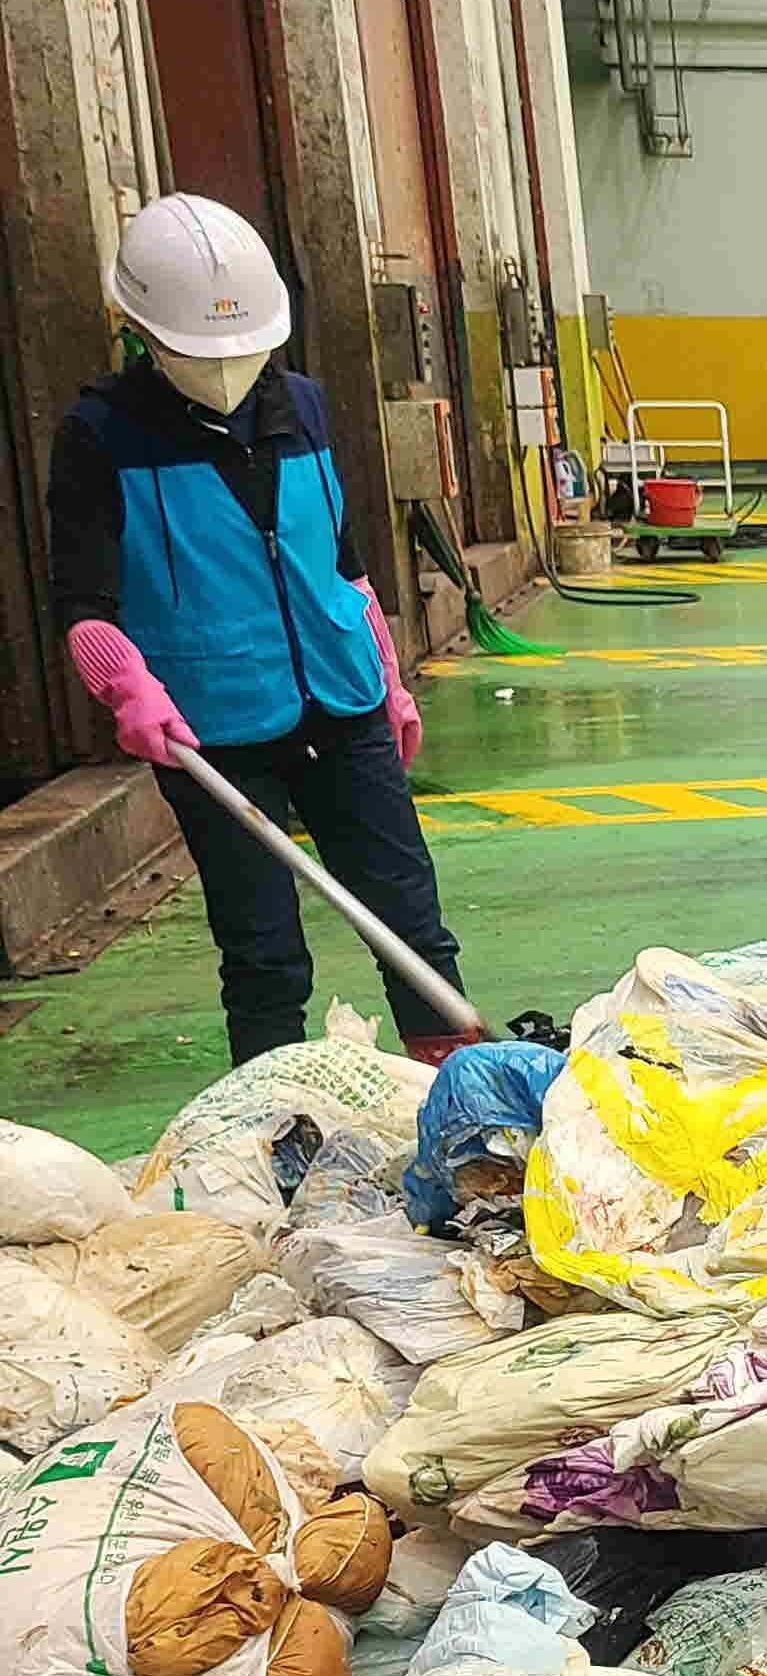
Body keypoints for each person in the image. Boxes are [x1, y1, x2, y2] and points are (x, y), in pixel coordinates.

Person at [51, 194, 476, 1065]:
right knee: (264, 953)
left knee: (411, 918)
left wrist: (387, 675)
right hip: (214, 729)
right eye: (201, 350)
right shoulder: (100, 433)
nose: (227, 368)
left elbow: (346, 563)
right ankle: (270, 1129)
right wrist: (127, 688)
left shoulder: (306, 406)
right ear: (138, 330)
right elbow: (85, 603)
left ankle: (466, 1093)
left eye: (243, 348)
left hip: (344, 698)